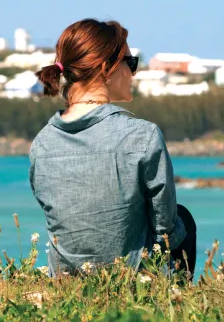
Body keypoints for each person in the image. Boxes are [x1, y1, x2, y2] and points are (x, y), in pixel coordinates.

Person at [29, 18, 196, 278]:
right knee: (183, 219)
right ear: (106, 68)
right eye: (130, 63)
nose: (134, 72)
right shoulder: (143, 136)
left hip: (66, 287)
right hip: (133, 284)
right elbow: (166, 232)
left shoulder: (42, 143)